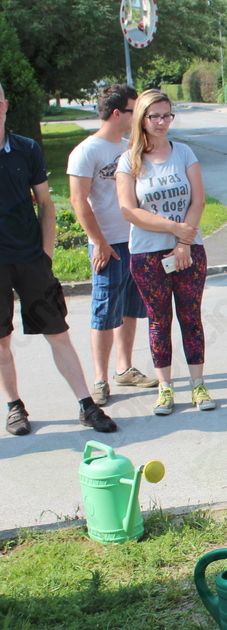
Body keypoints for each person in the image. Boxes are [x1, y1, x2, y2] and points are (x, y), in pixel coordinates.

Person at [0, 82, 117, 435]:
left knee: (58, 333)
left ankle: (87, 405)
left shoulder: (26, 149)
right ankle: (15, 406)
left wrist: (46, 255)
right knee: (1, 340)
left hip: (31, 259)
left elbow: (45, 204)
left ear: (4, 105)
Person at [116, 89, 215, 416]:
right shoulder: (129, 160)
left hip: (189, 251)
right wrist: (174, 228)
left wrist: (184, 242)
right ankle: (165, 388)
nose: (161, 122)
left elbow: (198, 201)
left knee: (191, 318)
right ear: (142, 118)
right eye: (154, 116)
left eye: (167, 115)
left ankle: (198, 385)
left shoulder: (183, 152)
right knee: (159, 320)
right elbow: (129, 211)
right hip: (148, 256)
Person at [68, 84, 158, 407]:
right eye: (135, 110)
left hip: (136, 241)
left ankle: (124, 368)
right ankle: (100, 379)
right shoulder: (86, 151)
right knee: (104, 311)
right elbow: (78, 201)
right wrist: (99, 242)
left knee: (131, 308)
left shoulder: (129, 147)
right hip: (107, 245)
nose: (140, 116)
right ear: (118, 113)